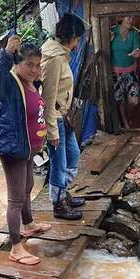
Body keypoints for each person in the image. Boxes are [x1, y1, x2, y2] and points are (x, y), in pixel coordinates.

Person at [0, 36, 52, 265]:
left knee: (29, 186)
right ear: (16, 63)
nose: (33, 69)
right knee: (16, 198)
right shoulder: (8, 84)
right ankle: (16, 247)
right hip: (13, 148)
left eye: (36, 64)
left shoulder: (33, 83)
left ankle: (29, 224)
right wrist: (5, 52)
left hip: (29, 148)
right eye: (28, 64)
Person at [41, 14, 87, 220]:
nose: (78, 43)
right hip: (55, 119)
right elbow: (47, 97)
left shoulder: (62, 54)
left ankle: (62, 194)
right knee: (58, 163)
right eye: (77, 39)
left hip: (64, 116)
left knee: (74, 155)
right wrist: (51, 131)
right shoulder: (53, 59)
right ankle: (58, 204)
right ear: (71, 37)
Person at [110, 16, 140, 129]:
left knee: (134, 101)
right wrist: (108, 40)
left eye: (132, 16)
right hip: (115, 73)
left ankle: (128, 116)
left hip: (130, 72)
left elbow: (137, 48)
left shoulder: (135, 33)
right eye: (128, 17)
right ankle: (125, 121)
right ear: (121, 17)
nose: (131, 19)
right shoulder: (112, 31)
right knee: (119, 99)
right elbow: (104, 48)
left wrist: (136, 52)